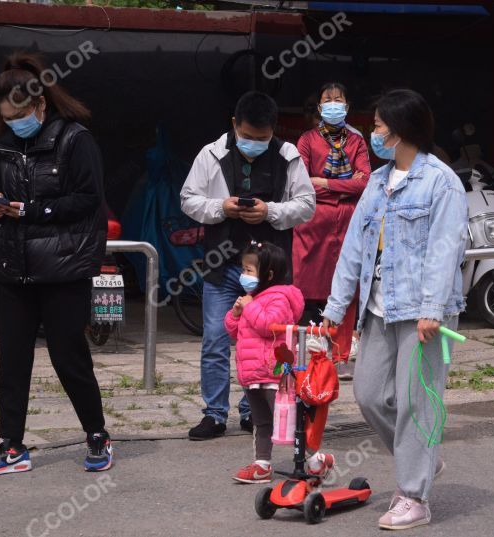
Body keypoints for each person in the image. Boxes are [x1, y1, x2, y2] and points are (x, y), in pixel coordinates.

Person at [323, 89, 467, 530]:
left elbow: (447, 248)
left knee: (414, 403)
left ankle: (415, 497)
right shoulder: (377, 181)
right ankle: (424, 458)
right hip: (379, 307)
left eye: (380, 126)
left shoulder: (441, 182)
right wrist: (335, 307)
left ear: (401, 131)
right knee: (368, 394)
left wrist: (432, 308)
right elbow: (353, 247)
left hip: (423, 312)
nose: (374, 133)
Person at [0, 52, 111, 475]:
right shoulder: (5, 146)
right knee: (12, 360)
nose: (15, 121)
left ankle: (97, 435)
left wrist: (33, 211)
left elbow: (89, 201)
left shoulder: (75, 139)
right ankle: (12, 445)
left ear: (40, 104)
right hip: (16, 265)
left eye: (20, 113)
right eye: (7, 115)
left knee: (69, 357)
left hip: (64, 267)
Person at [180, 91, 315, 440]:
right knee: (214, 339)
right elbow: (188, 200)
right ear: (234, 125)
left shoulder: (288, 155)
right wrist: (220, 208)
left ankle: (252, 412)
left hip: (269, 271)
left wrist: (269, 211)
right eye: (248, 137)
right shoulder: (210, 153)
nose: (254, 143)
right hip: (222, 264)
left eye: (262, 138)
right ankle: (214, 413)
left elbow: (306, 205)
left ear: (274, 131)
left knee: (267, 342)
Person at [225, 242, 334, 483]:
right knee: (261, 421)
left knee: (290, 421)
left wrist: (250, 307)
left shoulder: (279, 298)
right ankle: (262, 464)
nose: (244, 276)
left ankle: (315, 459)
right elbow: (235, 332)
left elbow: (268, 326)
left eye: (249, 271)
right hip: (252, 375)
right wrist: (235, 314)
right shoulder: (252, 298)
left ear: (269, 274)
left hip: (274, 374)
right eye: (243, 270)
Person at [292, 82, 370, 365]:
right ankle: (313, 340)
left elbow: (365, 183)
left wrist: (325, 182)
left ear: (347, 107)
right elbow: (302, 184)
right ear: (320, 107)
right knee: (310, 283)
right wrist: (345, 185)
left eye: (339, 99)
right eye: (329, 99)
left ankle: (344, 345)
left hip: (349, 220)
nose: (334, 103)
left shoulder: (357, 140)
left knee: (348, 281)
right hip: (314, 221)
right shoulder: (307, 140)